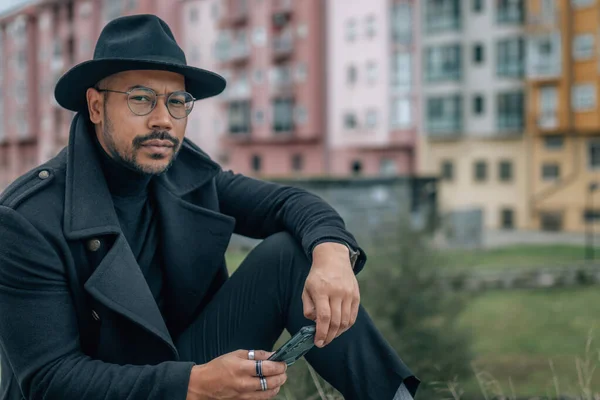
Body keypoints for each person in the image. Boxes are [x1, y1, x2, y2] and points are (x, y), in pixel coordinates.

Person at [0, 14, 418, 400]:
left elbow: (290, 202)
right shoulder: (28, 219)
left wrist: (332, 254)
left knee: (291, 254)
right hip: (125, 390)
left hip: (184, 371)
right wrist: (192, 384)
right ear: (95, 106)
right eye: (141, 99)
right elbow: (50, 379)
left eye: (177, 102)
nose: (163, 119)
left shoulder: (186, 176)